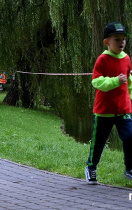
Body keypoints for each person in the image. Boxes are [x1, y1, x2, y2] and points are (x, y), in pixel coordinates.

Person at [85, 21, 132, 184]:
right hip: (104, 111)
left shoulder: (126, 58)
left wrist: (130, 96)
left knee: (130, 137)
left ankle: (130, 168)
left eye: (123, 39)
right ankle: (91, 167)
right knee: (99, 142)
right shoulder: (102, 60)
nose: (121, 42)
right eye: (117, 39)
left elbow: (129, 81)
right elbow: (96, 82)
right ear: (107, 42)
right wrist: (115, 81)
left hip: (123, 109)